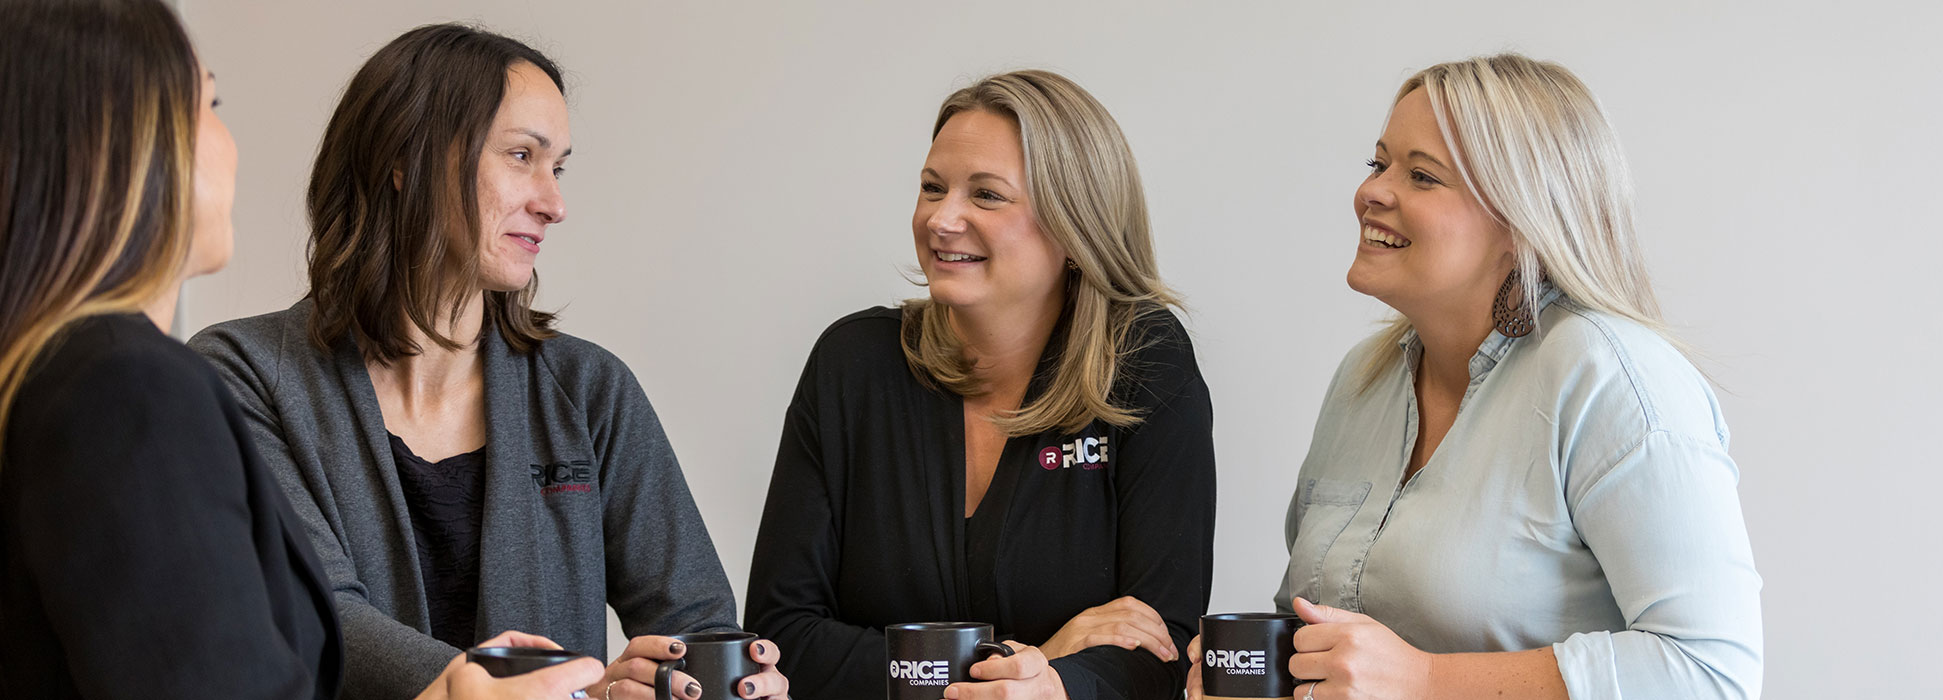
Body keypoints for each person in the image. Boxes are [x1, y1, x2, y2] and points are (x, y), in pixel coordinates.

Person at [0, 1, 602, 698]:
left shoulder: (59, 373)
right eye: (210, 103)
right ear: (120, 140)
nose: (554, 203)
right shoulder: (129, 388)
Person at [188, 23, 788, 700]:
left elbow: (697, 624)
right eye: (522, 156)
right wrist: (480, 688)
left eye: (556, 167)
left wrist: (684, 680)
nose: (553, 203)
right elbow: (318, 611)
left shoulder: (590, 391)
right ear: (405, 157)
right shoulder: (241, 375)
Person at [1187, 54, 1762, 700]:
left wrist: (1427, 680)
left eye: (1422, 176)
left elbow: (1712, 672)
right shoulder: (1361, 383)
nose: (1371, 191)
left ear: (1521, 220)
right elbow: (1334, 645)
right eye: (1379, 164)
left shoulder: (1614, 381)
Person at [745, 69, 1216, 700]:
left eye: (987, 195)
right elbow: (780, 642)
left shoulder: (1141, 360)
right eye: (932, 187)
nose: (942, 219)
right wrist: (1030, 666)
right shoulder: (852, 363)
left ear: (1076, 226)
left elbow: (1160, 646)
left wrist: (1024, 683)